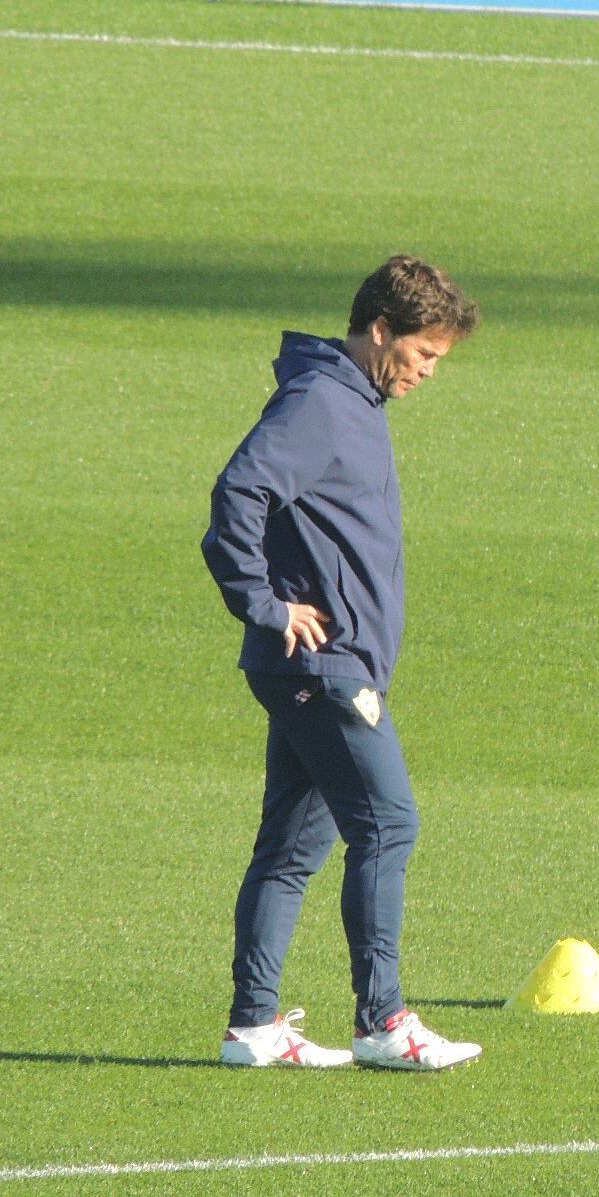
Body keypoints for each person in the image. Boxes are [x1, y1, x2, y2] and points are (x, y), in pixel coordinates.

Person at [200, 256, 483, 1072]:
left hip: (319, 666)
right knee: (389, 823)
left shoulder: (351, 400)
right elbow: (238, 493)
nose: (429, 373)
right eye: (423, 354)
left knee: (291, 851)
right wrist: (262, 602)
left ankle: (254, 1028)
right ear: (382, 331)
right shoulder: (322, 401)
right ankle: (385, 1021)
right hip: (322, 666)